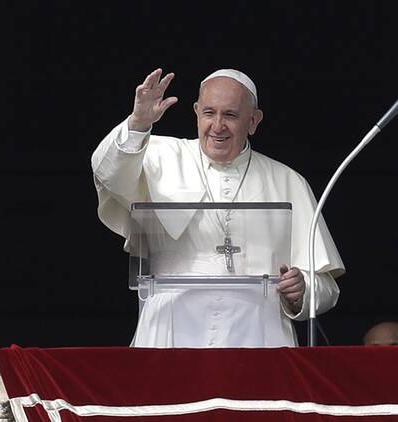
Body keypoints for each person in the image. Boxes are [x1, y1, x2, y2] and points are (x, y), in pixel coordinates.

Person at [91, 68, 344, 347]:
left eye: (231, 115)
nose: (218, 126)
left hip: (257, 335)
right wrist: (138, 122)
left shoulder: (288, 181)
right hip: (170, 330)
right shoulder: (157, 156)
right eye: (209, 113)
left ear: (253, 121)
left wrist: (303, 290)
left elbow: (326, 288)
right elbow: (108, 173)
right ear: (197, 112)